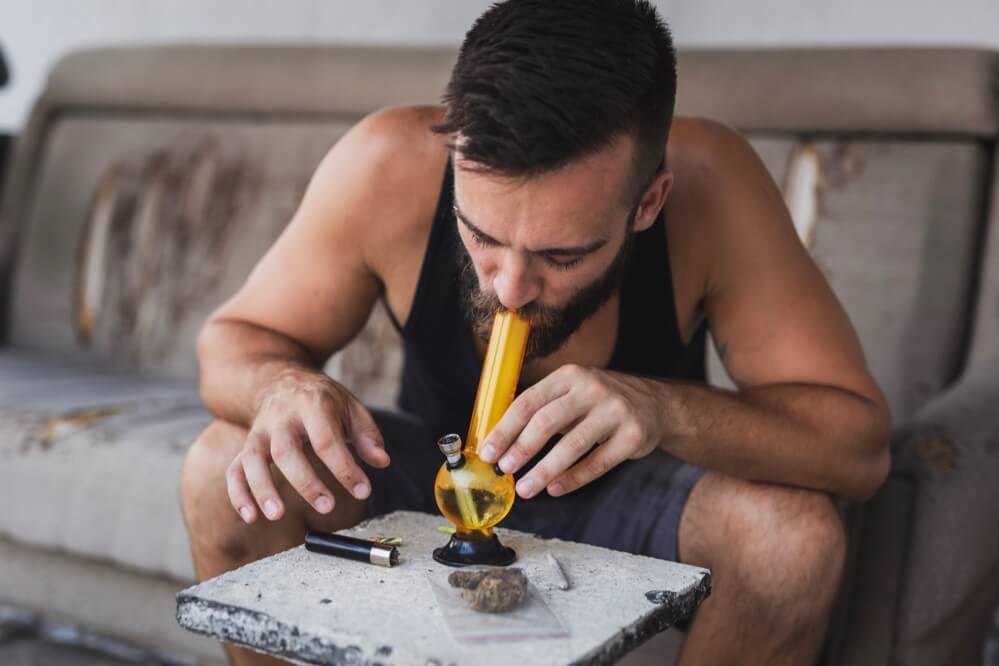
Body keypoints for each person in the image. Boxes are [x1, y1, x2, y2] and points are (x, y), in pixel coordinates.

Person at [180, 1, 890, 664]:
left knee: (793, 541)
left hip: (626, 491)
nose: (508, 289)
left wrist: (660, 408)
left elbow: (855, 449)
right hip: (428, 487)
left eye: (562, 255)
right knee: (219, 464)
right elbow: (237, 337)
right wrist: (281, 384)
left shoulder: (712, 183)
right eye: (480, 236)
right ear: (456, 154)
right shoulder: (385, 163)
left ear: (648, 201)